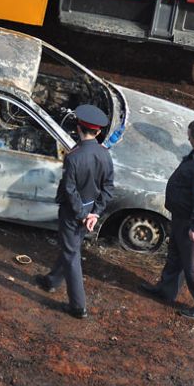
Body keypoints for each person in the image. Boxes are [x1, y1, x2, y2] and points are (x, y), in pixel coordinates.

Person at [139, 119, 194, 319]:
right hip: (184, 215)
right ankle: (166, 289)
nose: (188, 141)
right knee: (176, 254)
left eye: (189, 138)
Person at [35, 104, 114, 319]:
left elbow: (70, 190)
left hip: (74, 213)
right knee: (72, 246)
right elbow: (108, 188)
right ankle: (52, 281)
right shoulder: (105, 155)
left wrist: (81, 215)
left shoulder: (74, 157)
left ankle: (78, 306)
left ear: (79, 128)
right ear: (98, 131)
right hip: (89, 211)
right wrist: (94, 213)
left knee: (72, 255)